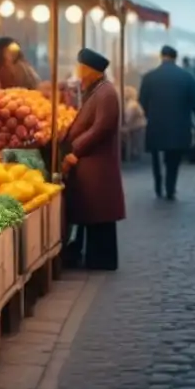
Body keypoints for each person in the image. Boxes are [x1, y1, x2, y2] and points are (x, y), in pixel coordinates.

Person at [62, 48, 125, 270]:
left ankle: (101, 259)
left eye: (81, 67)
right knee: (94, 214)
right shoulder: (97, 90)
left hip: (97, 164)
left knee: (100, 215)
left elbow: (101, 128)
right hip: (93, 163)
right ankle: (94, 257)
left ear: (90, 70)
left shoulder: (106, 93)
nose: (78, 71)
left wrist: (76, 148)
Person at [139, 45, 195, 199]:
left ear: (162, 56)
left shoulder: (149, 77)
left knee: (156, 157)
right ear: (176, 57)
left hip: (156, 124)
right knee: (173, 159)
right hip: (179, 125)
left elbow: (141, 101)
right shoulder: (187, 77)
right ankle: (170, 187)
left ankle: (158, 186)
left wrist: (150, 114)